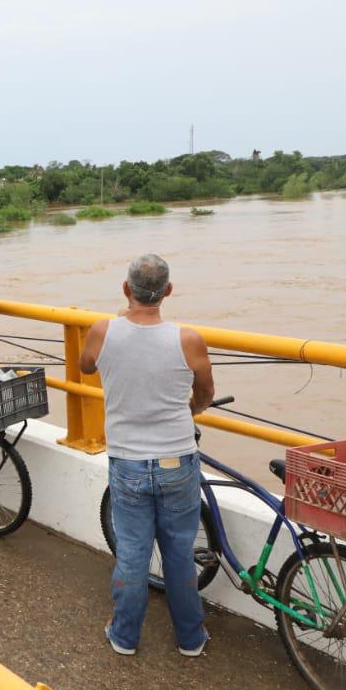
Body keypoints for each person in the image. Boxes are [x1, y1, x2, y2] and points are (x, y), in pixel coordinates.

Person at [78, 253, 215, 659]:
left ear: (126, 289)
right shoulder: (188, 339)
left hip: (127, 462)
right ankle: (190, 639)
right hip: (177, 459)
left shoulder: (103, 331)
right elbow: (205, 392)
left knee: (134, 553)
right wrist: (188, 410)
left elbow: (86, 367)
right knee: (179, 553)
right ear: (168, 291)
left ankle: (124, 636)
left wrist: (120, 318)